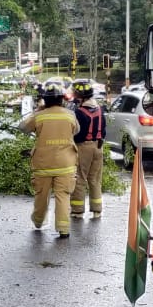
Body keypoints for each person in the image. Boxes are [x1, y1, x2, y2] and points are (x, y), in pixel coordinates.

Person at [18, 81, 79, 238]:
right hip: (66, 164)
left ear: (45, 100)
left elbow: (22, 127)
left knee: (41, 195)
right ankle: (63, 229)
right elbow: (77, 130)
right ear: (61, 100)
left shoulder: (39, 116)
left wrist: (37, 111)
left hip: (43, 164)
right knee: (63, 196)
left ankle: (38, 221)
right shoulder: (70, 115)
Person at [69, 79, 105, 218]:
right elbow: (104, 130)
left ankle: (77, 211)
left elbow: (78, 134)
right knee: (95, 179)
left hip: (84, 147)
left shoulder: (80, 112)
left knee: (80, 178)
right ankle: (97, 210)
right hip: (98, 146)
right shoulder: (99, 109)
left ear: (80, 95)